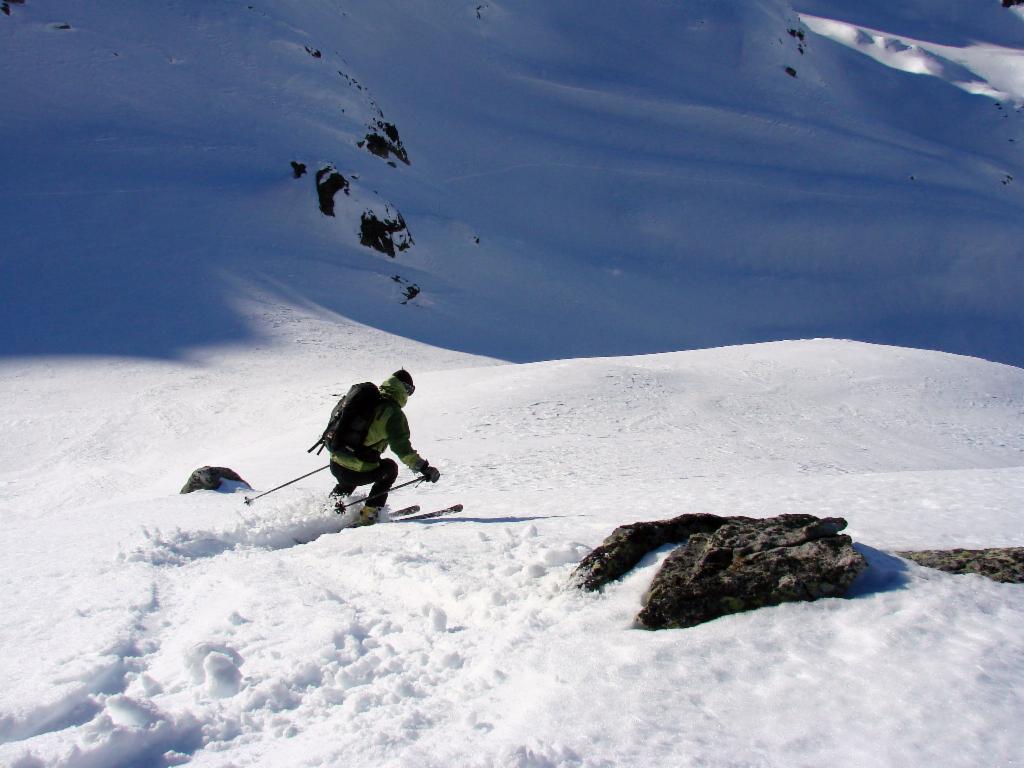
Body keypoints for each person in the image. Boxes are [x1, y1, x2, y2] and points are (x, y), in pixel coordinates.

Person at [329, 369, 440, 526]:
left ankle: (326, 514)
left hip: (336, 461)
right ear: (404, 389)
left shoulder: (366, 400)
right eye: (409, 390)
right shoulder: (393, 414)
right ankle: (369, 516)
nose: (408, 395)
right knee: (389, 468)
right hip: (356, 471)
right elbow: (402, 449)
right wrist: (424, 468)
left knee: (347, 480)